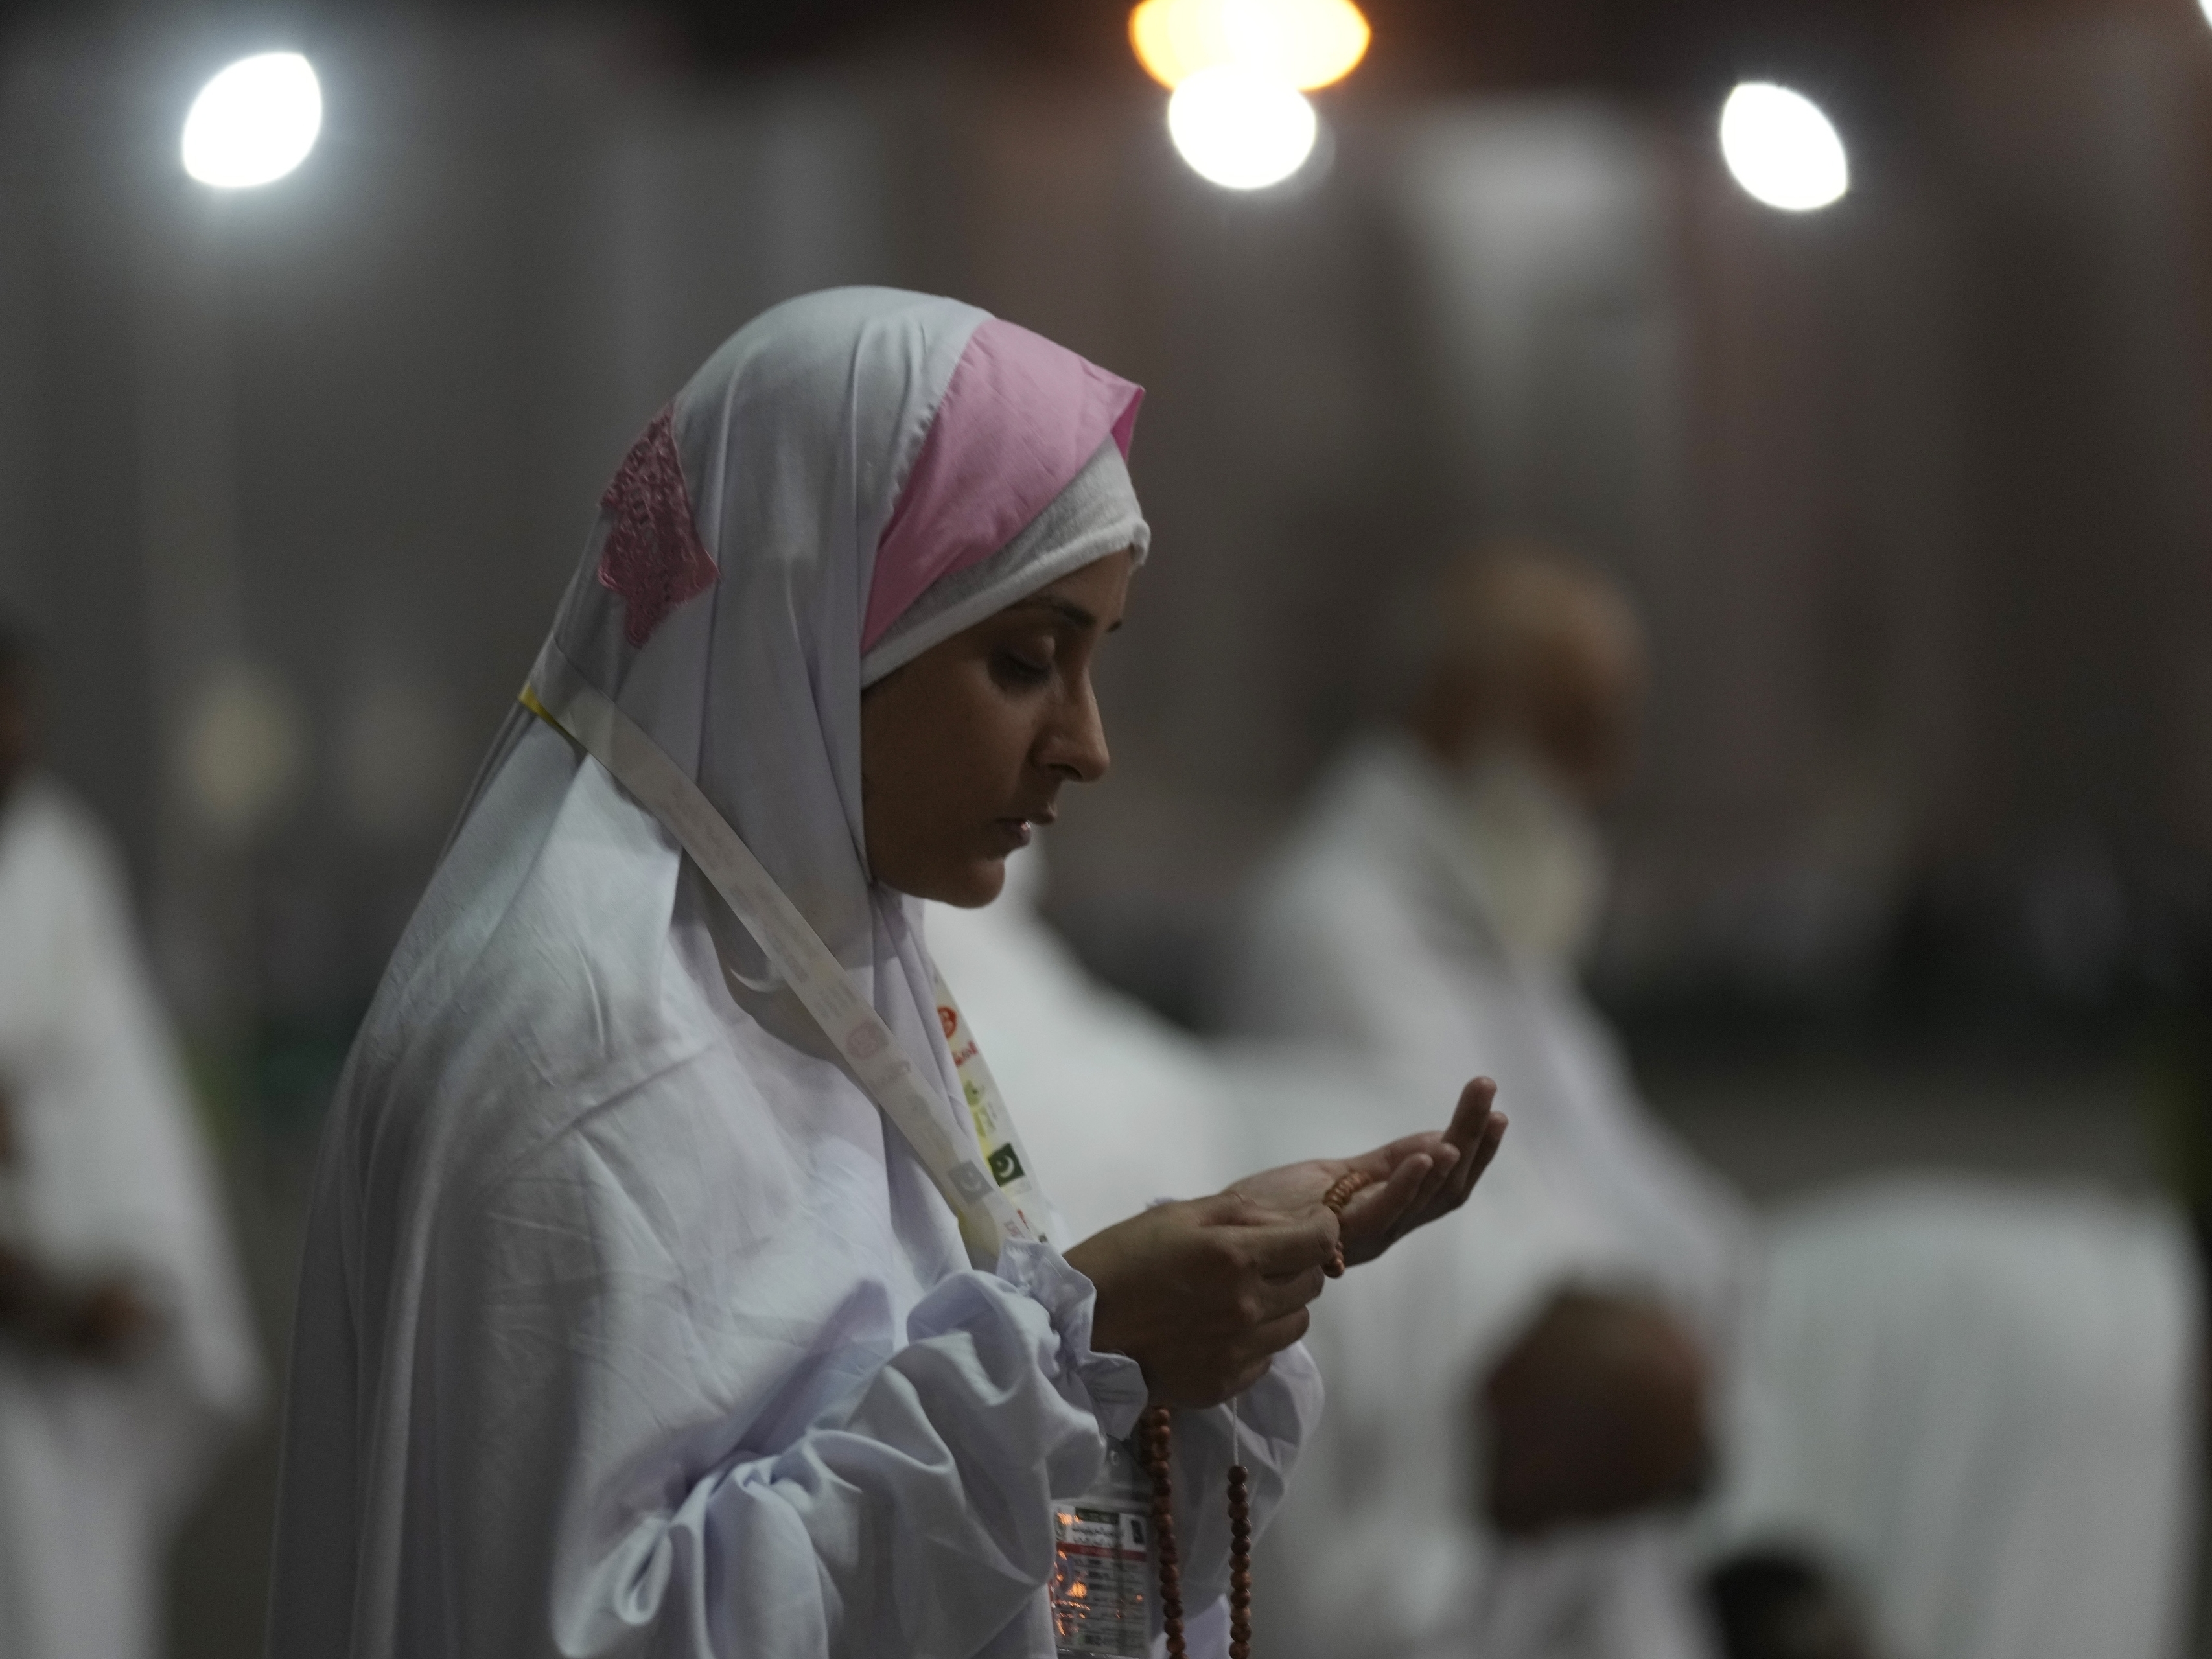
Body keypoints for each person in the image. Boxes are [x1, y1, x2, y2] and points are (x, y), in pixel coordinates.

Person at [266, 288, 1506, 1659]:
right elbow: (592, 1632)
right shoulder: (579, 1044)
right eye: (1026, 659)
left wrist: (1161, 1347)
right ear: (818, 620)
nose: (1086, 744)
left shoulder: (835, 979)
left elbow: (1013, 1586)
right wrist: (1059, 1352)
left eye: (1094, 661)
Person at [1228, 546, 2200, 1659]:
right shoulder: (1334, 935)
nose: (1607, 772)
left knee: (2078, 1287)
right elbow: (1472, 1266)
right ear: (1456, 715)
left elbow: (1641, 1184)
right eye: (1576, 729)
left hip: (1702, 1345)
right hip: (1549, 1441)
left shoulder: (1490, 929)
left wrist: (1720, 1283)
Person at [0, 618, 263, 1659]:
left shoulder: (62, 868)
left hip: (64, 1390)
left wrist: (130, 1281)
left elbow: (119, 1103)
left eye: (21, 704)